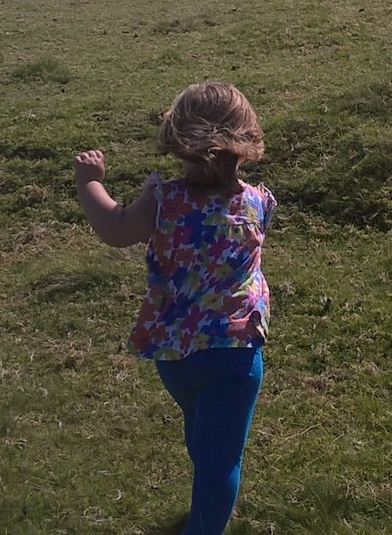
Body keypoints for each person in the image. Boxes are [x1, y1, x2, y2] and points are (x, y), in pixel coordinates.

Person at [72, 81, 275, 535]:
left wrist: (90, 182)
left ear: (179, 142)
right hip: (234, 352)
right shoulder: (257, 201)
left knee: (202, 434)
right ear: (244, 145)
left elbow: (115, 228)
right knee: (220, 458)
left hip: (174, 352)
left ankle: (204, 510)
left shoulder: (164, 198)